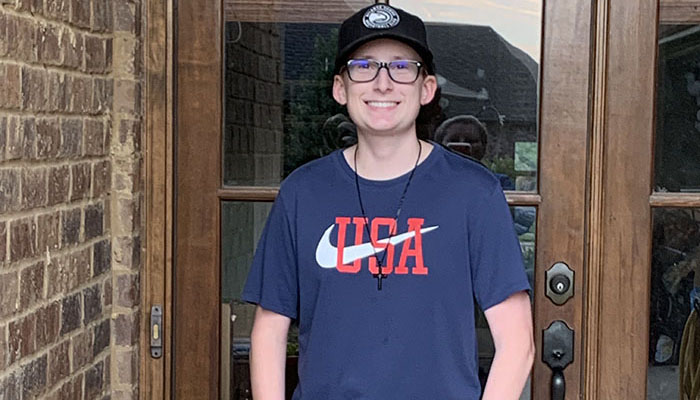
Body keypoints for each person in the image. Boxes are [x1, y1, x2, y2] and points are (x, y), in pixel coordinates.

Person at [243, 4, 534, 399]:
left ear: (426, 89)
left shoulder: (474, 193)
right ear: (340, 88)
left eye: (401, 67)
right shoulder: (303, 193)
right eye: (364, 66)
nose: (383, 83)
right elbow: (269, 330)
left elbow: (517, 343)